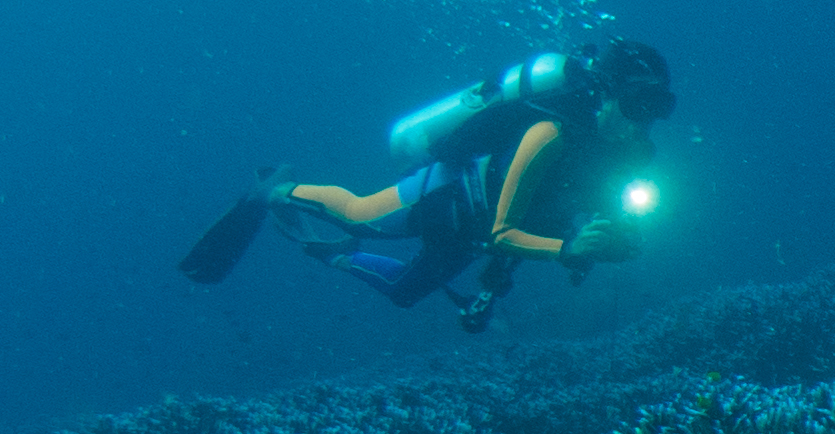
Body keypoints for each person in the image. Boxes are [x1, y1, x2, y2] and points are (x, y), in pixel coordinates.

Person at [179, 38, 673, 329]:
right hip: (449, 196)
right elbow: (506, 231)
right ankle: (273, 190)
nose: (644, 123)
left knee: (403, 291)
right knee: (359, 215)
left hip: (475, 234)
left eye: (658, 108)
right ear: (605, 94)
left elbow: (557, 216)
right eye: (638, 105)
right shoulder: (549, 134)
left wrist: (605, 243)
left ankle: (330, 255)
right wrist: (567, 251)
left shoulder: (620, 158)